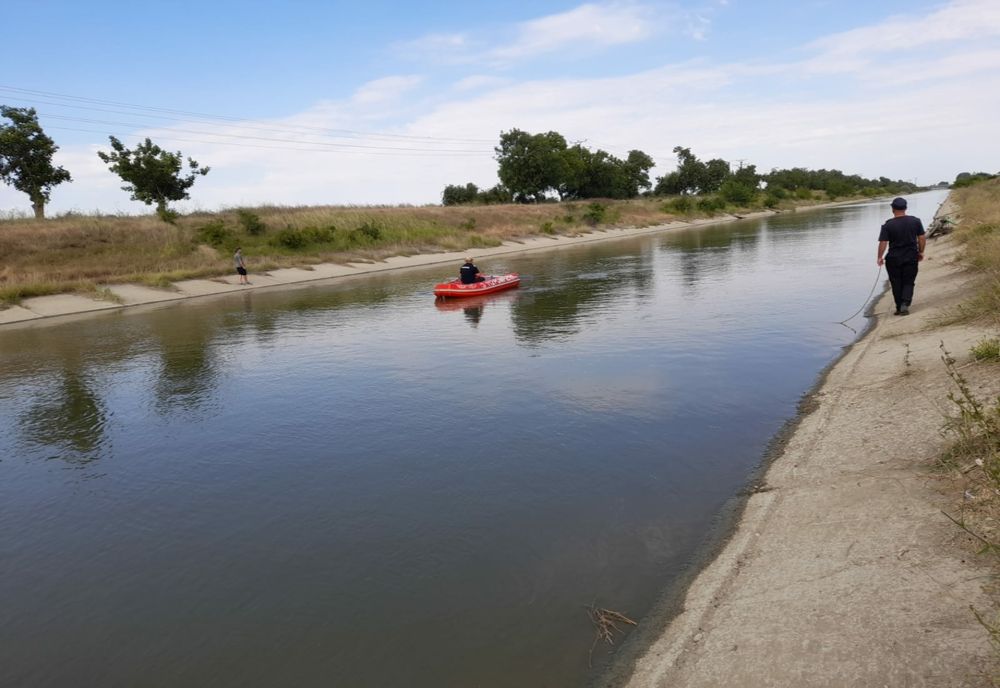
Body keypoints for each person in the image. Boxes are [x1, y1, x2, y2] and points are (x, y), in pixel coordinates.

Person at [877, 197, 925, 315]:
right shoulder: (915, 221)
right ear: (905, 208)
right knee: (909, 281)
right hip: (911, 256)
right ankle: (905, 303)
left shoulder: (887, 225)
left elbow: (883, 242)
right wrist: (921, 252)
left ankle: (899, 307)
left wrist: (879, 257)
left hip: (893, 258)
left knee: (896, 282)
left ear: (893, 209)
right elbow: (922, 238)